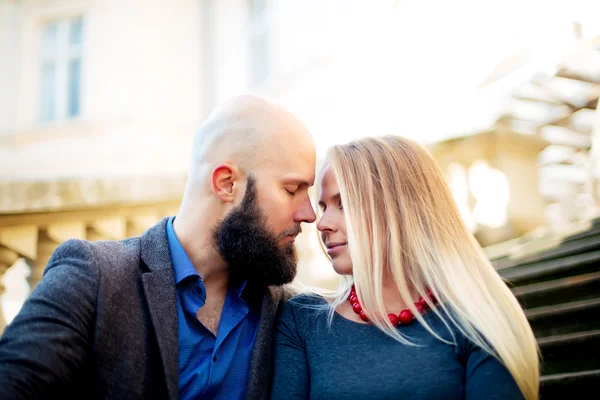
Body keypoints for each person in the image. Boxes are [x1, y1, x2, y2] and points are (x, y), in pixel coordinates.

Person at [0, 95, 317, 400]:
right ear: (226, 183)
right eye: (292, 190)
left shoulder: (289, 313)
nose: (309, 214)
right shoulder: (91, 279)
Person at [271, 135, 539, 400]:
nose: (322, 223)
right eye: (324, 206)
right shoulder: (303, 319)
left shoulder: (477, 317)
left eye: (344, 204)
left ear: (400, 210)